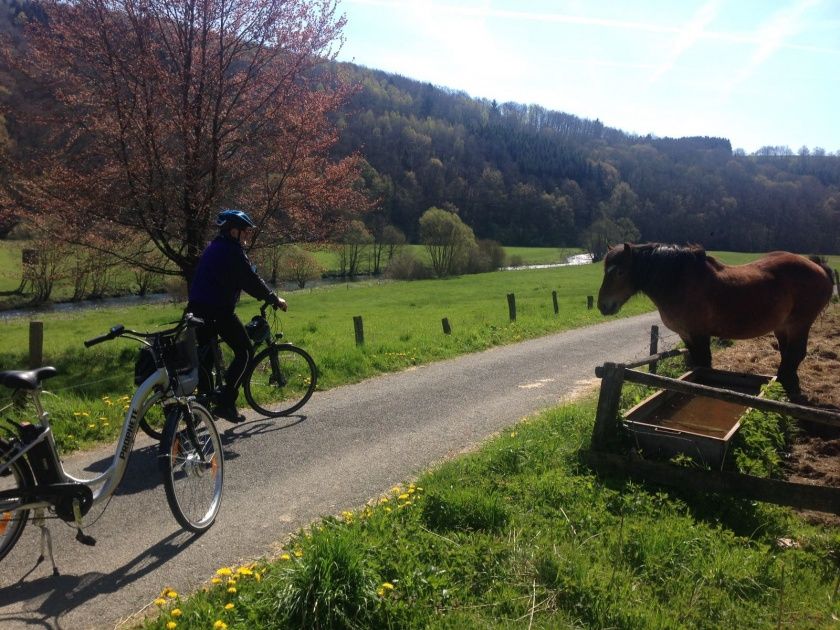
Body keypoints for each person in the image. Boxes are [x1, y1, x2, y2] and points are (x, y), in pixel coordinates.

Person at [187, 209, 287, 422]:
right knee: (245, 352)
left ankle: (202, 408)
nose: (247, 236)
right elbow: (250, 280)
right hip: (217, 310)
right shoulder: (231, 251)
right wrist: (274, 299)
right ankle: (225, 402)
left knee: (206, 359)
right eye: (245, 231)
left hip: (197, 309)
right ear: (234, 231)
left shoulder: (215, 246)